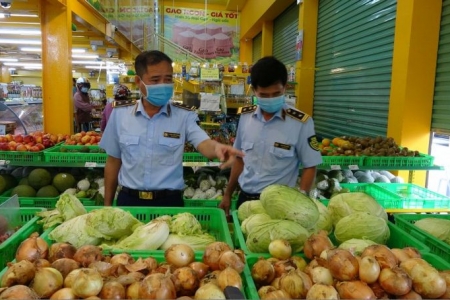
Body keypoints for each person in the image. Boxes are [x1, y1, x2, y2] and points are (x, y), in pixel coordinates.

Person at [99, 50, 244, 207]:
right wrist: (107, 206)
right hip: (129, 201)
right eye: (155, 80)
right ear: (138, 81)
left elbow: (203, 142)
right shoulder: (120, 115)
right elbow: (113, 161)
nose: (163, 84)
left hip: (169, 203)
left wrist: (217, 148)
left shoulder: (183, 116)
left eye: (168, 79)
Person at [219, 56, 323, 216]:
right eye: (264, 95)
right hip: (245, 200)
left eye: (276, 93)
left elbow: (310, 165)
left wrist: (301, 200)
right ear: (254, 90)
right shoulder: (246, 118)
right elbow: (239, 159)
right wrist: (227, 194)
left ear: (285, 88)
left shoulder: (301, 123)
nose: (270, 99)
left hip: (279, 206)